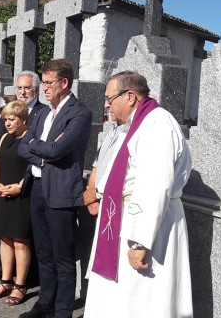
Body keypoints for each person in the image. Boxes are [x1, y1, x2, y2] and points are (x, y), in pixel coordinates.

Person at [83, 71, 193, 317]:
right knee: (121, 297)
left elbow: (155, 184)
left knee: (142, 299)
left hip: (146, 224)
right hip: (123, 216)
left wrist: (140, 242)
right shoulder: (133, 126)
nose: (106, 104)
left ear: (130, 96)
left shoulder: (157, 124)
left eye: (110, 98)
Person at [17, 58, 92, 318]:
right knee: (43, 251)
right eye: (43, 82)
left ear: (64, 82)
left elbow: (59, 149)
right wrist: (44, 153)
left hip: (60, 191)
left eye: (49, 83)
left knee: (63, 255)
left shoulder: (80, 113)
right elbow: (22, 147)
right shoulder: (42, 112)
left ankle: (62, 311)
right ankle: (44, 302)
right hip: (37, 187)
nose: (44, 88)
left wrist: (41, 147)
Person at [0, 100, 31, 306]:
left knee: (20, 241)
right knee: (4, 238)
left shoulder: (31, 138)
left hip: (21, 196)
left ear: (23, 120)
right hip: (2, 194)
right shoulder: (4, 137)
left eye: (11, 119)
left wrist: (19, 186)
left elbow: (33, 169)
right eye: (5, 119)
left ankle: (20, 285)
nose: (7, 123)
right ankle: (6, 282)